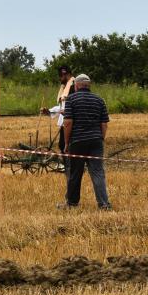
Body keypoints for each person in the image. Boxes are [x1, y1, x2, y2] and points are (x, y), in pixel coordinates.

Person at [58, 74, 111, 210]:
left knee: (75, 173)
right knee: (98, 172)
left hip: (78, 141)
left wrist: (67, 142)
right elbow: (104, 124)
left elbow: (68, 122)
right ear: (89, 85)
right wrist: (100, 138)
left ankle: (72, 204)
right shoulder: (99, 100)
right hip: (96, 141)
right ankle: (104, 204)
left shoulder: (71, 99)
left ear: (76, 86)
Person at [41, 65, 76, 177]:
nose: (60, 78)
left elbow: (72, 106)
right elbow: (61, 107)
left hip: (72, 123)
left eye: (61, 76)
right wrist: (49, 111)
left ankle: (71, 168)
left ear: (65, 74)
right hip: (64, 122)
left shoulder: (74, 86)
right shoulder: (65, 87)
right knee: (62, 145)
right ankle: (68, 168)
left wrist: (67, 112)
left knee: (68, 146)